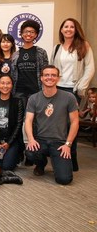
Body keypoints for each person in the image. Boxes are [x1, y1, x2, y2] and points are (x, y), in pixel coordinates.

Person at [50, 18, 95, 171]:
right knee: (58, 124)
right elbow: (51, 70)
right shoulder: (57, 48)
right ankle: (60, 155)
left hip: (73, 91)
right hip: (58, 89)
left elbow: (90, 68)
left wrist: (80, 87)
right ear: (61, 30)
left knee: (72, 125)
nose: (68, 29)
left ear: (76, 30)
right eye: (65, 26)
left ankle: (72, 156)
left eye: (72, 27)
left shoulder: (84, 46)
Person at [25, 65, 79, 185]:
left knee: (64, 179)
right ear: (42, 78)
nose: (50, 77)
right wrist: (31, 139)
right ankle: (41, 164)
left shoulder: (69, 97)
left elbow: (75, 121)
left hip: (60, 142)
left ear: (58, 78)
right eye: (47, 75)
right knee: (30, 152)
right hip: (41, 140)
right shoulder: (33, 98)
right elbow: (28, 120)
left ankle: (58, 162)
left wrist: (68, 144)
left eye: (53, 75)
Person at [0, 75, 24, 171]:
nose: (5, 86)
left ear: (12, 85)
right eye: (2, 83)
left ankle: (17, 156)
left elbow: (19, 124)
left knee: (7, 167)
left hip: (11, 141)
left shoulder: (18, 101)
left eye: (8, 83)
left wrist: (9, 142)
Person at [11, 20, 49, 101]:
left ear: (36, 35)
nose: (28, 34)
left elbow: (45, 73)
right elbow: (13, 74)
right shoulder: (15, 55)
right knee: (19, 114)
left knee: (35, 114)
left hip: (36, 91)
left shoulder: (41, 52)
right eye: (26, 31)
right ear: (21, 34)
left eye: (32, 32)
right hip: (19, 92)